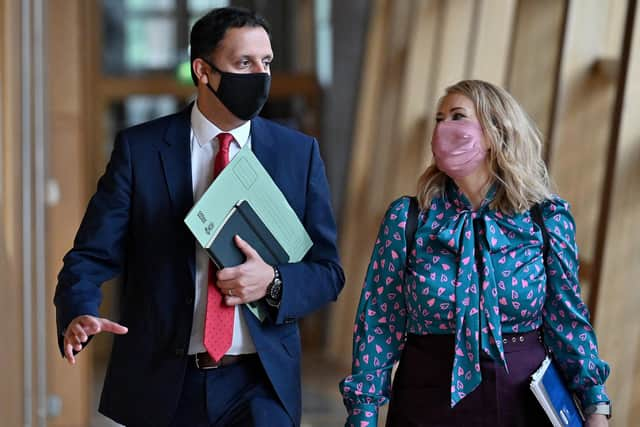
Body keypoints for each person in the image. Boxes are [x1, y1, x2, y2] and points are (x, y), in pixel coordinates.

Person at [54, 7, 344, 427]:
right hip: (165, 384)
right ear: (203, 71)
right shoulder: (141, 151)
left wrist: (274, 282)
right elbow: (89, 256)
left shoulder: (297, 155)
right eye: (244, 63)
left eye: (266, 63)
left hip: (260, 383)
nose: (260, 76)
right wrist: (78, 311)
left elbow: (328, 272)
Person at [339, 80, 611, 426]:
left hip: (523, 402)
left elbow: (568, 320)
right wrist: (363, 414)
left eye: (457, 116)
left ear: (495, 133)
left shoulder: (545, 219)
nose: (443, 128)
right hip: (425, 399)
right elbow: (378, 322)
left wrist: (595, 406)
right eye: (439, 118)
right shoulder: (408, 219)